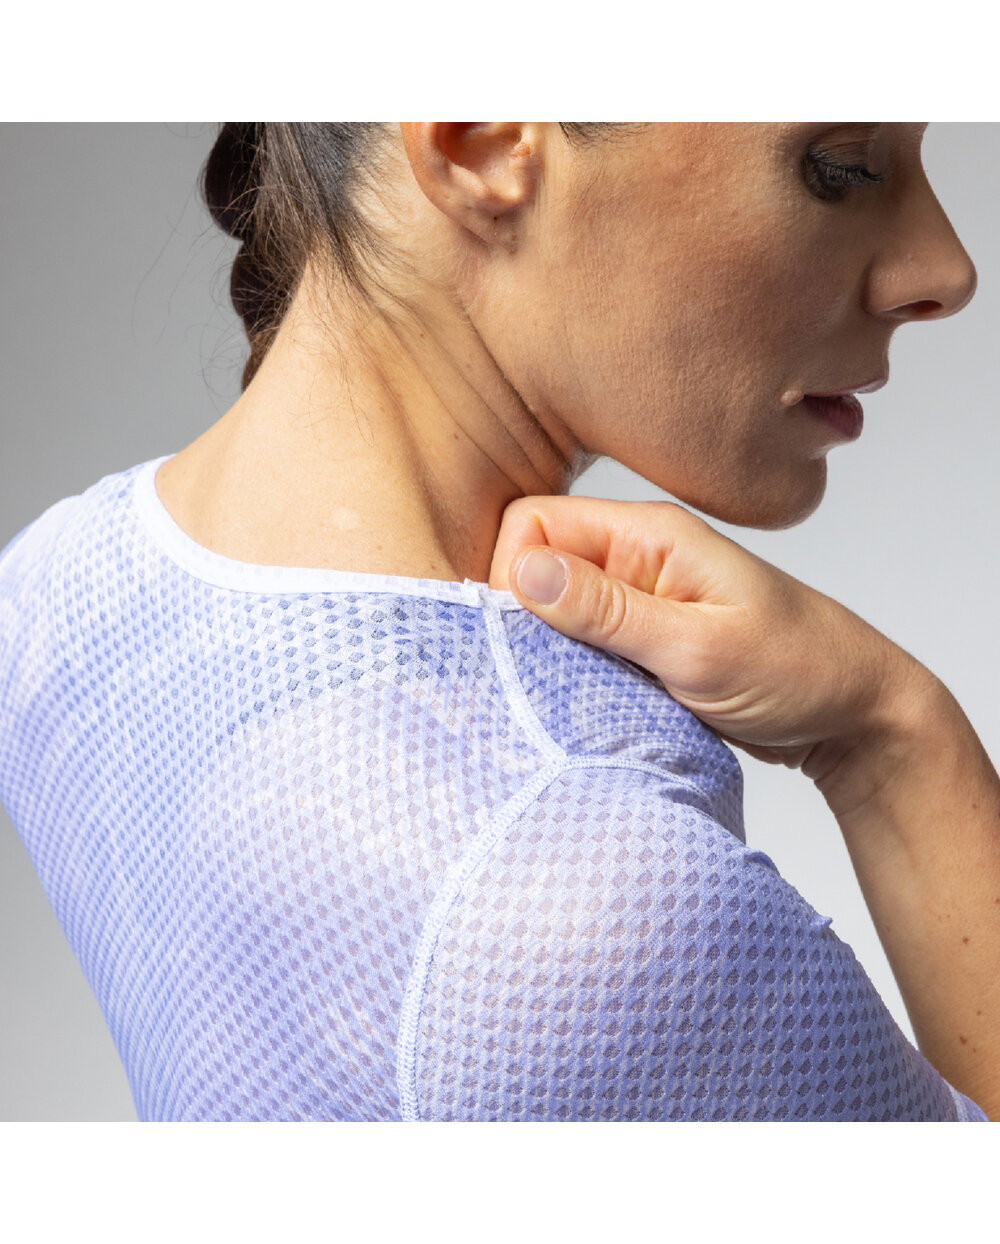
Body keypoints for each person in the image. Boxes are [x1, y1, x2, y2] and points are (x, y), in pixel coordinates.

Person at [0, 122, 989, 1121]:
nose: (946, 271)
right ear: (479, 139)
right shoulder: (595, 928)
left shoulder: (54, 590)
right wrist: (893, 737)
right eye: (842, 167)